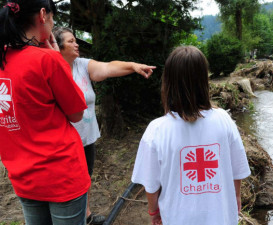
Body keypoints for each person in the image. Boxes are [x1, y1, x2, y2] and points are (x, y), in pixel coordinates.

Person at [131, 46, 251, 225]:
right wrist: (236, 197)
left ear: (168, 82)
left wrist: (154, 212)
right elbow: (237, 169)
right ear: (204, 80)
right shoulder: (224, 120)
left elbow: (151, 185)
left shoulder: (156, 130)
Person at [53, 27, 156, 225]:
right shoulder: (53, 68)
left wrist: (133, 66)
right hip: (64, 142)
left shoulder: (81, 65)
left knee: (86, 178)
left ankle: (87, 215)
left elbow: (108, 68)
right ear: (59, 47)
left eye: (76, 40)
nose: (77, 44)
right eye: (71, 41)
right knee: (68, 185)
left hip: (86, 137)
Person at [0, 1, 91, 225]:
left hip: (22, 176)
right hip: (62, 175)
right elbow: (76, 114)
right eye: (52, 17)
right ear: (43, 15)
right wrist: (57, 59)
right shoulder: (48, 59)